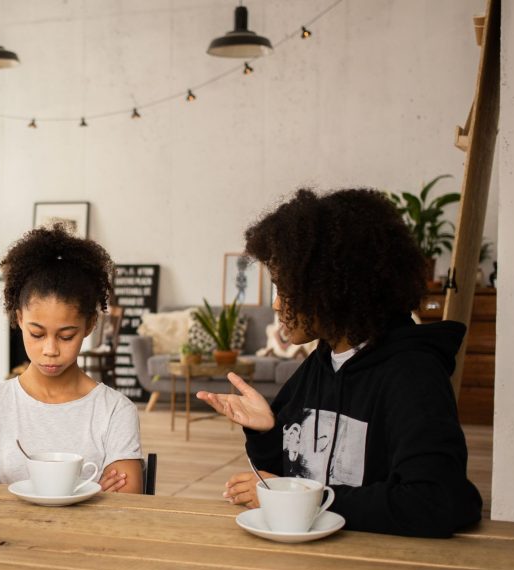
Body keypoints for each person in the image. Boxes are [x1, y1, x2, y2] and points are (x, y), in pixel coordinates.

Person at [197, 188, 483, 537]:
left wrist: (310, 500)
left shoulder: (412, 375)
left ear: (331, 288)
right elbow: (287, 477)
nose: (276, 305)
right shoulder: (321, 364)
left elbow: (435, 501)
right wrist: (266, 432)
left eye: (285, 288)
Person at [0, 224, 143, 493]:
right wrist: (89, 492)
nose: (50, 349)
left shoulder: (115, 411)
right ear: (19, 319)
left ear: (90, 325)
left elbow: (126, 507)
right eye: (36, 333)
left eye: (66, 336)